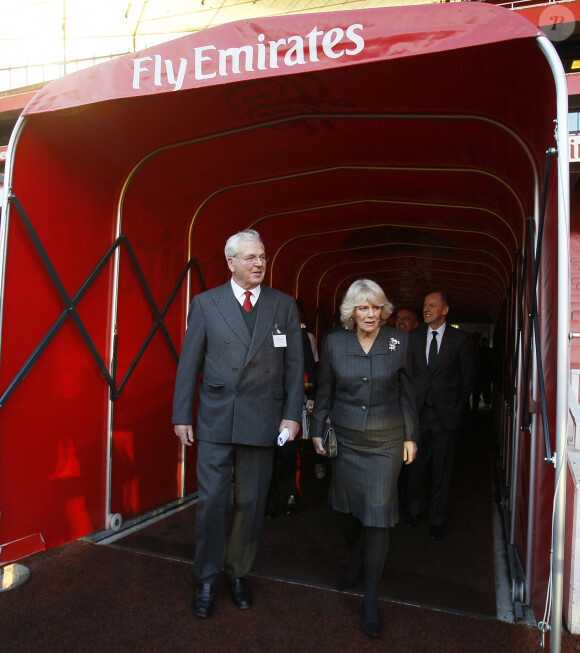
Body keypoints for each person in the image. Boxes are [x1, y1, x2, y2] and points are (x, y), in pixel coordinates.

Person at [172, 229, 304, 619]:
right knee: (212, 501)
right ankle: (207, 577)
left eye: (262, 256)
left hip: (263, 419)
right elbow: (189, 363)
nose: (259, 263)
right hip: (215, 417)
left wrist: (292, 414)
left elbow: (295, 366)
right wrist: (182, 414)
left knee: (250, 502)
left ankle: (239, 572)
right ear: (231, 263)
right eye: (250, 258)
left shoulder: (283, 305)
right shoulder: (206, 303)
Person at [310, 279, 418, 638]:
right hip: (346, 440)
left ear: (383, 309)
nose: (370, 314)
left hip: (386, 443)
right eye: (362, 308)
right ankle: (355, 557)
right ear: (351, 312)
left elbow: (408, 394)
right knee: (346, 511)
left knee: (377, 517)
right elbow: (325, 388)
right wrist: (314, 429)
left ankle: (370, 600)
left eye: (375, 307)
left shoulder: (399, 342)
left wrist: (411, 436)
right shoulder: (335, 342)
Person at [406, 291, 473, 539]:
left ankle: (437, 520)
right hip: (419, 414)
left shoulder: (459, 340)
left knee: (442, 471)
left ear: (445, 310)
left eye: (432, 305)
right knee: (416, 468)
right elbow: (408, 374)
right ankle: (414, 512)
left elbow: (467, 378)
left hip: (445, 417)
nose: (426, 309)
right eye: (424, 305)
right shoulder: (413, 338)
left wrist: (456, 407)